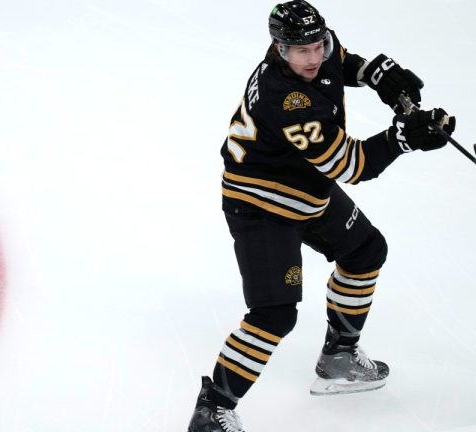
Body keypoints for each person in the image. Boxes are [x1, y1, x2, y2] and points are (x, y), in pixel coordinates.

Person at [187, 1, 455, 430]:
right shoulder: (287, 100)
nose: (313, 58)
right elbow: (352, 166)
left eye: (317, 45)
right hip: (259, 205)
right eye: (301, 51)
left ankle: (339, 356)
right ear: (278, 48)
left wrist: (377, 74)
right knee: (274, 314)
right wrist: (402, 138)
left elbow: (342, 61)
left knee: (367, 251)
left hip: (303, 189)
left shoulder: (316, 52)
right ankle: (212, 408)